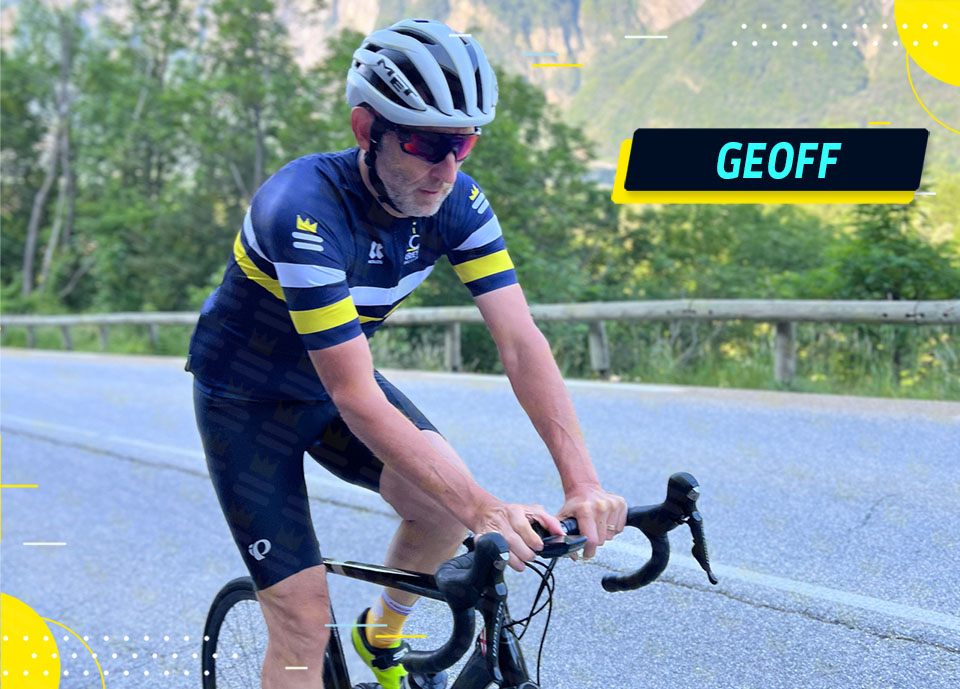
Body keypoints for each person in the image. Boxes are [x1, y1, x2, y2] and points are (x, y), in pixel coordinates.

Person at [186, 17, 627, 689]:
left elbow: (520, 342)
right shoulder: (301, 209)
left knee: (443, 511)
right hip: (247, 402)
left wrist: (583, 482)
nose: (446, 168)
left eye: (465, 144)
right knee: (303, 625)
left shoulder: (458, 203)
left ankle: (380, 634)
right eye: (426, 144)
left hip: (335, 383)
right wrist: (486, 508)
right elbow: (356, 396)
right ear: (368, 129)